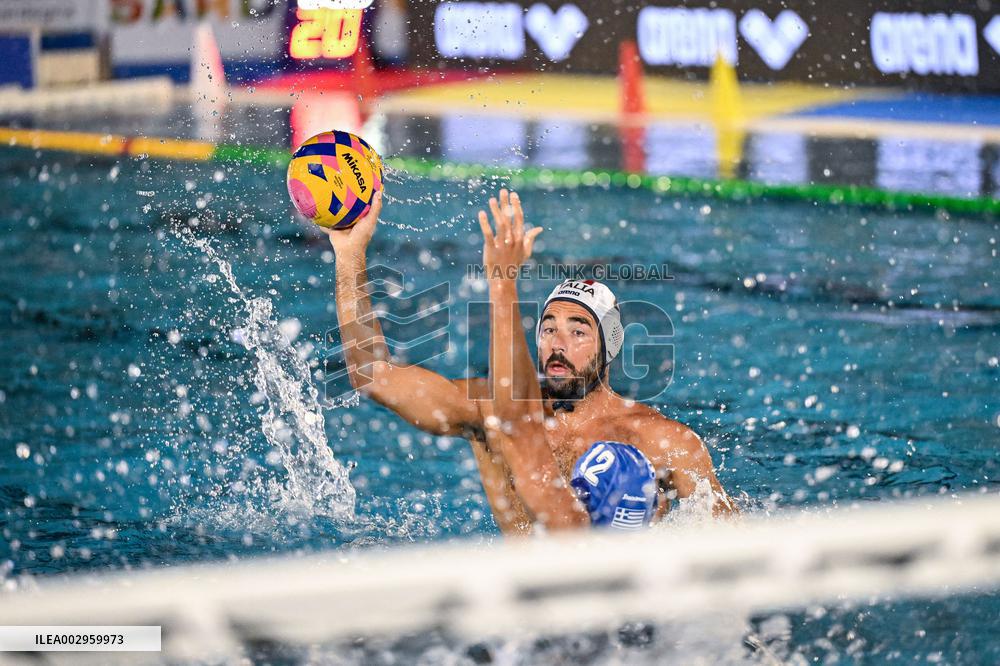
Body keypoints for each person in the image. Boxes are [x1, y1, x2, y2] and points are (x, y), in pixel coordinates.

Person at [321, 188, 735, 535]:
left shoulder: (663, 442)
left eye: (578, 331)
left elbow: (730, 544)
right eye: (549, 329)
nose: (559, 344)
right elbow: (370, 372)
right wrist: (350, 254)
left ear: (609, 349)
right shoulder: (492, 411)